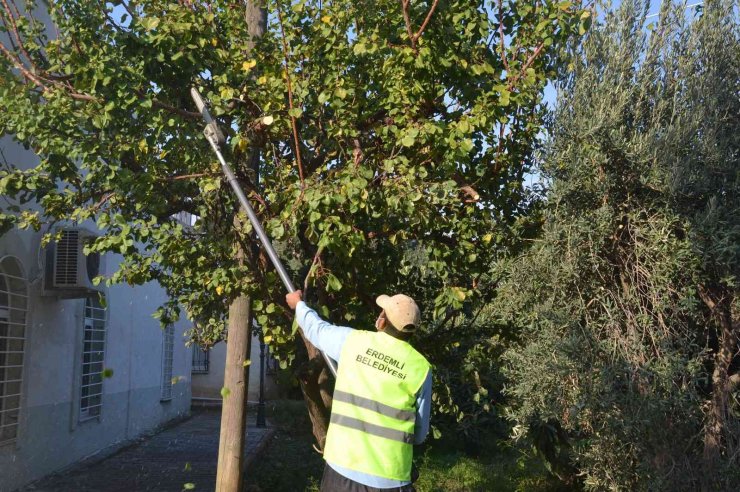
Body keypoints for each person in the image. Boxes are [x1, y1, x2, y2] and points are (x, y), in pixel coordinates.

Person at [286, 290, 433, 492]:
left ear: (382, 321)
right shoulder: (420, 368)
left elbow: (317, 329)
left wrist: (298, 305)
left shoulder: (353, 342)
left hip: (342, 470)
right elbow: (419, 434)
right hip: (390, 479)